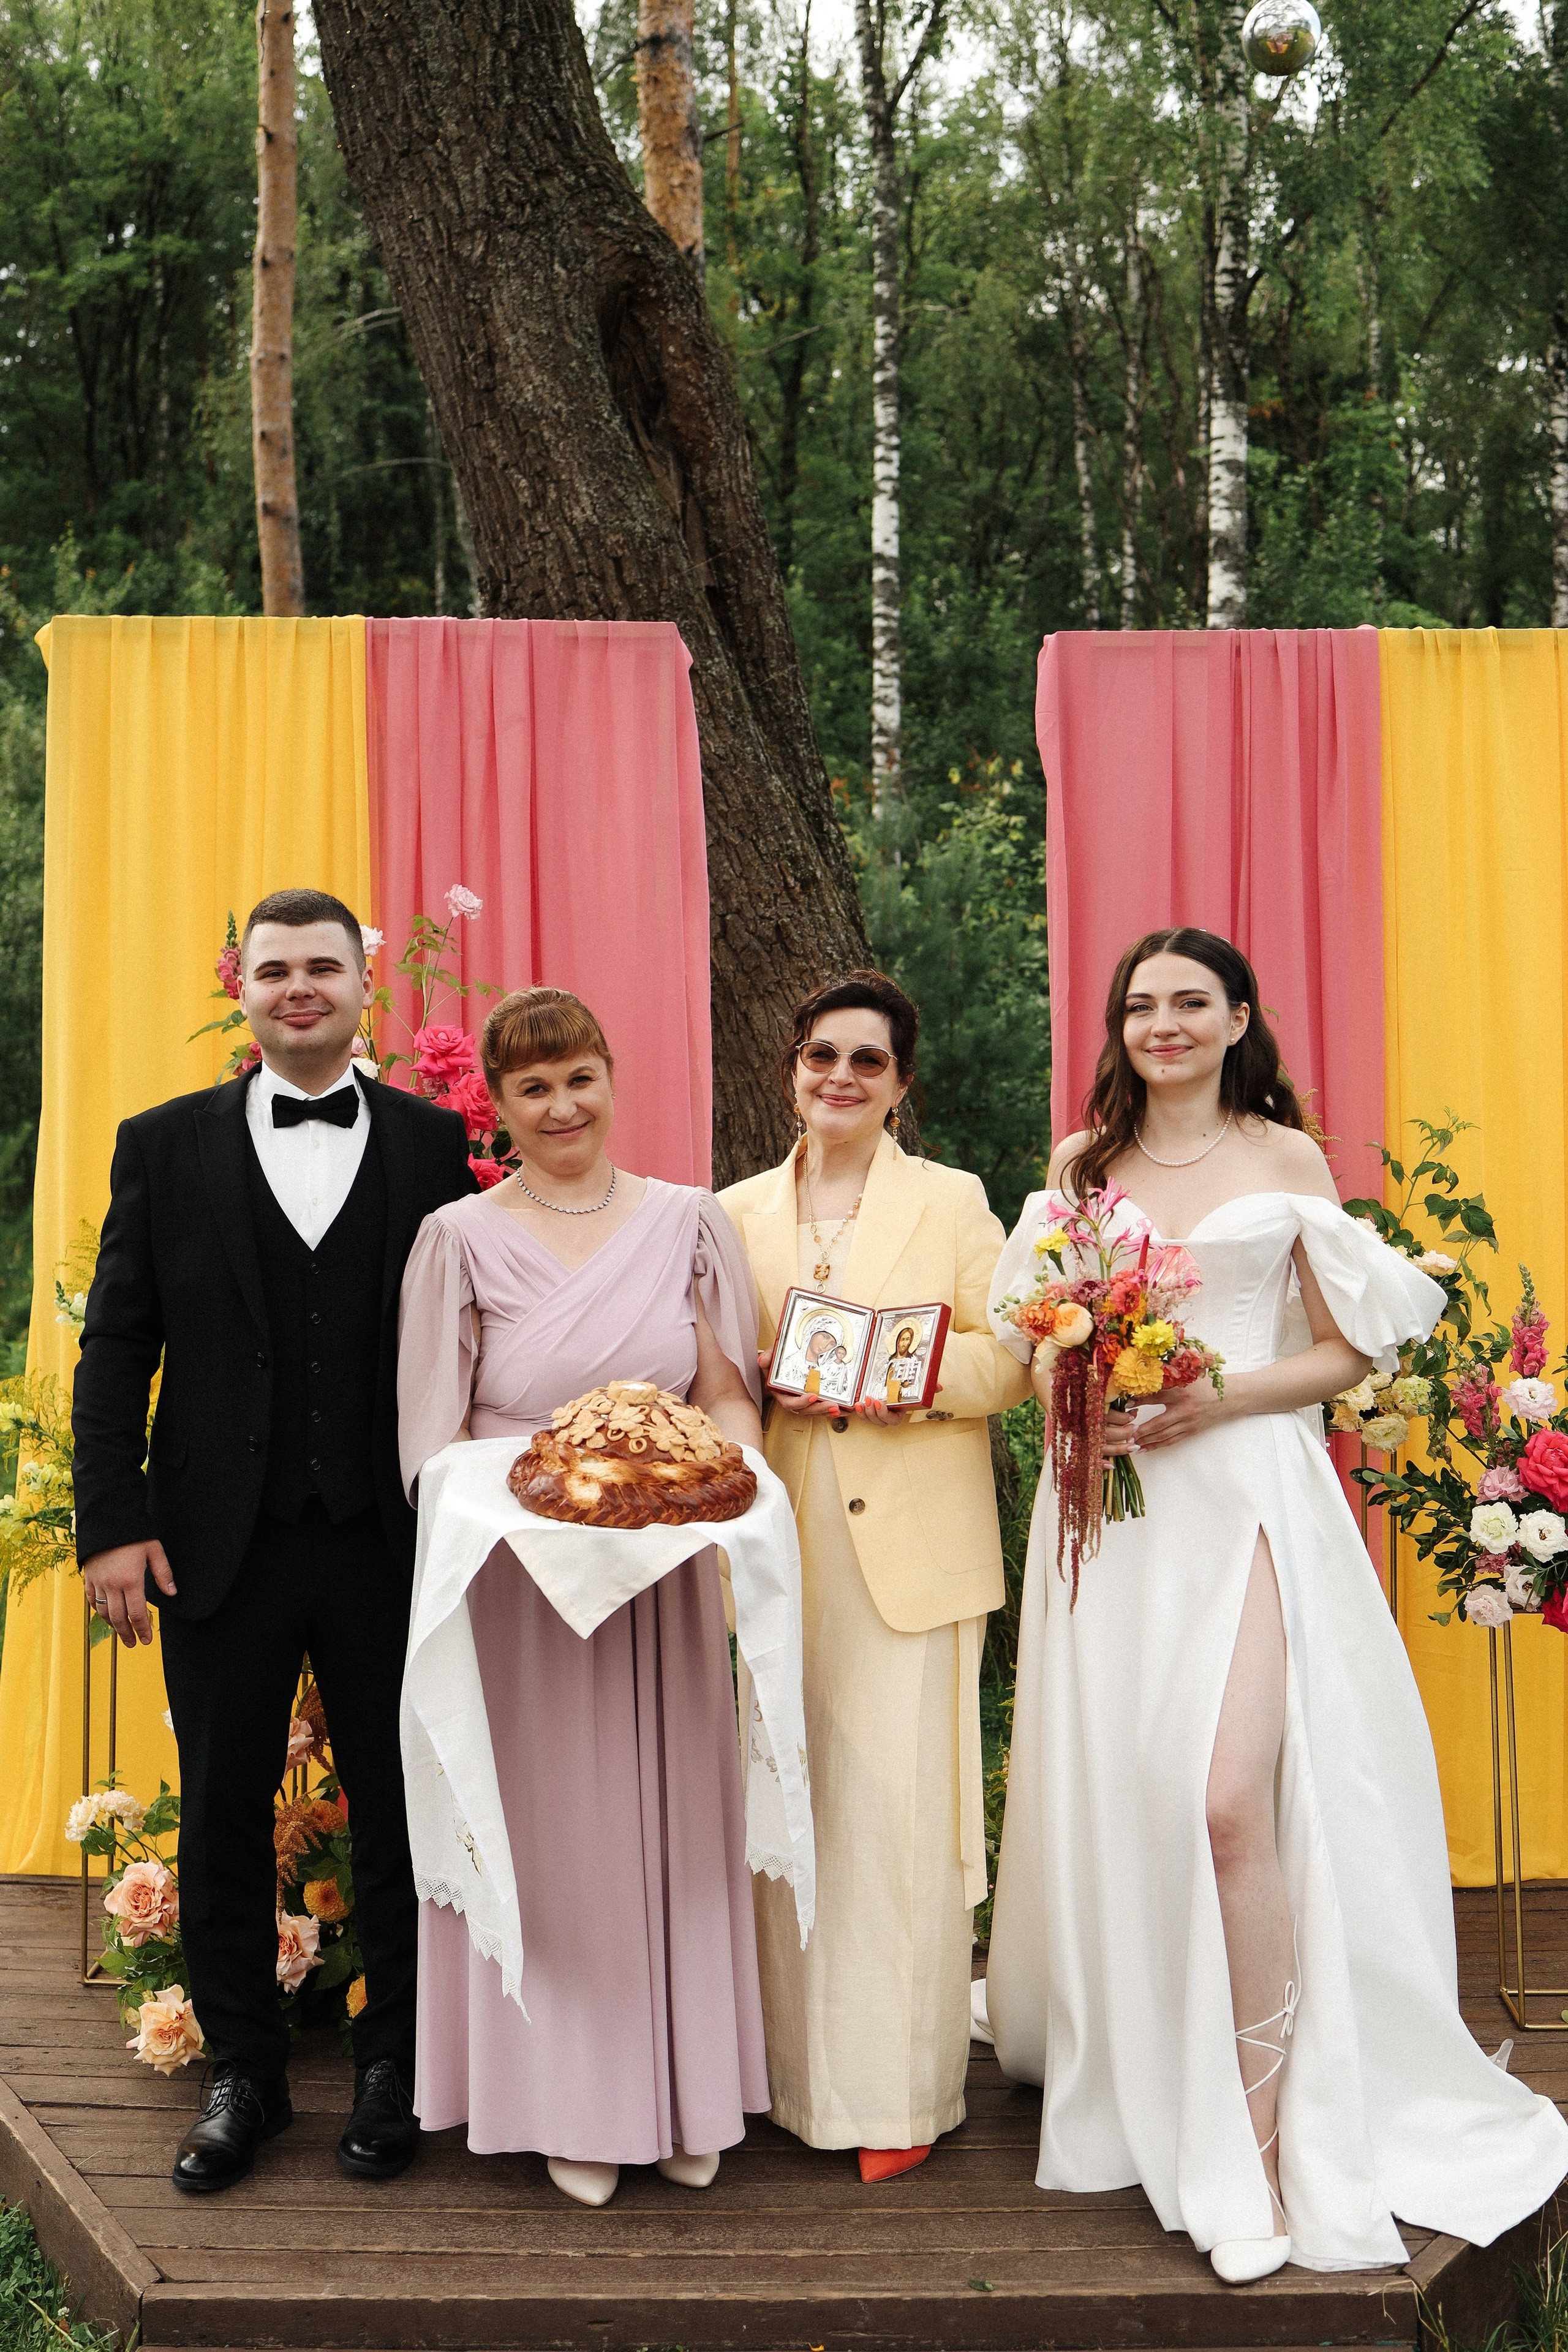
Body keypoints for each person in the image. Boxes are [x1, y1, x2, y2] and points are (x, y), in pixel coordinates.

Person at [981, 926, 1568, 2280]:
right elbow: (1029, 1340)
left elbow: (1345, 1349)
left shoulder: (1282, 1159)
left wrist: (1209, 1396)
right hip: (1116, 1527)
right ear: (1118, 1026)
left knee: (1230, 1801)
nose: (1163, 1024)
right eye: (1140, 1005)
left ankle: (1254, 2142)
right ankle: (1149, 2075)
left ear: (1238, 1017)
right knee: (1135, 1803)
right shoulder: (1083, 1170)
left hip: (1245, 1492)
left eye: (1191, 1002)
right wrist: (1083, 1391)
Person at [72, 889, 478, 2193]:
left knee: (402, 1815)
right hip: (209, 1547)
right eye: (274, 969)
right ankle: (241, 2071)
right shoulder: (161, 1144)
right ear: (238, 986)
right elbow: (118, 1343)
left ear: (368, 985)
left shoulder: (431, 1142)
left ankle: (393, 2068)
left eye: (324, 967)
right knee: (223, 1817)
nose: (299, 987)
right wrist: (113, 1526)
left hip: (388, 1538)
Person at [397, 986, 770, 2207]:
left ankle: (679, 2093)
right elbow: (430, 1436)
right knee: (554, 1839)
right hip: (521, 1581)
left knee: (664, 1831)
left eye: (578, 1078)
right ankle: (561, 2101)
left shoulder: (689, 1223)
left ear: (612, 1079)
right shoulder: (456, 1238)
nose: (561, 1106)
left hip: (657, 1572)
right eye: (532, 1088)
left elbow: (725, 1392)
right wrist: (519, 1518)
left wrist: (721, 1484)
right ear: (498, 1109)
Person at [719, 970, 1029, 2182]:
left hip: (910, 1557)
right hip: (778, 1550)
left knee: (897, 1828)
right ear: (789, 1072)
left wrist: (879, 1381)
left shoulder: (951, 1202)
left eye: (865, 1060)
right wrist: (750, 1376)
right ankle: (791, 2084)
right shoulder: (729, 1211)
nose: (837, 1077)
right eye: (818, 1057)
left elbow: (1004, 1360)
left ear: (899, 1085)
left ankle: (898, 2099)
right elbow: (703, 1370)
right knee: (790, 1811)